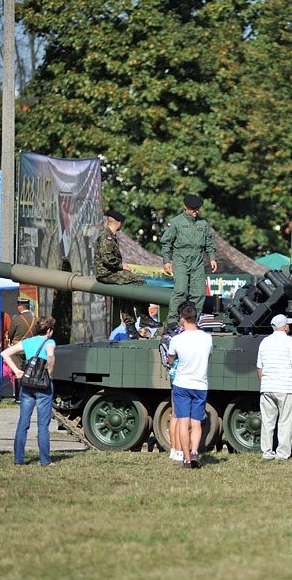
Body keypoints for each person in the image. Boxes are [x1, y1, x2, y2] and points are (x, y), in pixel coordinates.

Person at [1, 316, 56, 467]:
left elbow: (4, 353)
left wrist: (17, 371)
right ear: (49, 330)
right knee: (43, 425)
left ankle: (19, 459)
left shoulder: (28, 342)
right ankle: (45, 460)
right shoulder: (49, 342)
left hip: (27, 385)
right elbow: (50, 355)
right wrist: (50, 373)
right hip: (43, 386)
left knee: (23, 422)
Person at [160, 194, 218, 331]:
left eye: (197, 208)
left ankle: (193, 320)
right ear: (185, 207)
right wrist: (166, 261)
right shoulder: (175, 222)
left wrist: (212, 258)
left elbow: (209, 242)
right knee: (180, 290)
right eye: (193, 209)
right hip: (181, 259)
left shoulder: (202, 223)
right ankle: (172, 320)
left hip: (197, 260)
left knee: (199, 293)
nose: (195, 211)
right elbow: (166, 242)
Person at [167, 303, 213, 468]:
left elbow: (171, 359)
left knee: (183, 422)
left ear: (182, 319)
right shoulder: (207, 338)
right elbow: (208, 358)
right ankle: (194, 452)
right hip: (200, 384)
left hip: (181, 384)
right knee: (196, 423)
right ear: (196, 318)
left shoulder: (177, 339)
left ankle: (186, 459)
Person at [94, 209, 151, 339]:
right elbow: (107, 258)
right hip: (107, 274)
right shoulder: (107, 237)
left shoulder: (110, 236)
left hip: (111, 272)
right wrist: (122, 266)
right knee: (140, 282)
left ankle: (131, 329)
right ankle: (144, 316)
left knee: (126, 294)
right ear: (119, 223)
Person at [256, 314, 292, 461]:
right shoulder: (289, 342)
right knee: (285, 422)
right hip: (285, 386)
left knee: (267, 422)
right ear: (285, 326)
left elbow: (259, 367)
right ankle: (282, 453)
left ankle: (267, 452)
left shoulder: (264, 342)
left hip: (267, 387)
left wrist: (264, 382)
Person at [7, 297, 36, 400]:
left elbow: (11, 332)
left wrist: (10, 340)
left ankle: (19, 396)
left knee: (17, 371)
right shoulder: (35, 319)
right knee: (30, 370)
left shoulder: (16, 319)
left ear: (20, 307)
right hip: (31, 348)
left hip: (18, 348)